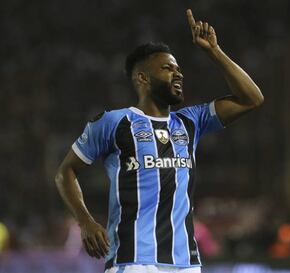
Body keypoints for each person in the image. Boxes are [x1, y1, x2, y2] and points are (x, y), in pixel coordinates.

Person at [55, 9, 263, 273]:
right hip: (134, 261)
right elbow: (66, 172)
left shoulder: (191, 122)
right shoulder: (115, 122)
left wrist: (214, 51)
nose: (178, 74)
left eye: (178, 69)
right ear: (142, 78)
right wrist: (85, 221)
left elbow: (251, 99)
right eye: (167, 68)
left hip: (186, 262)